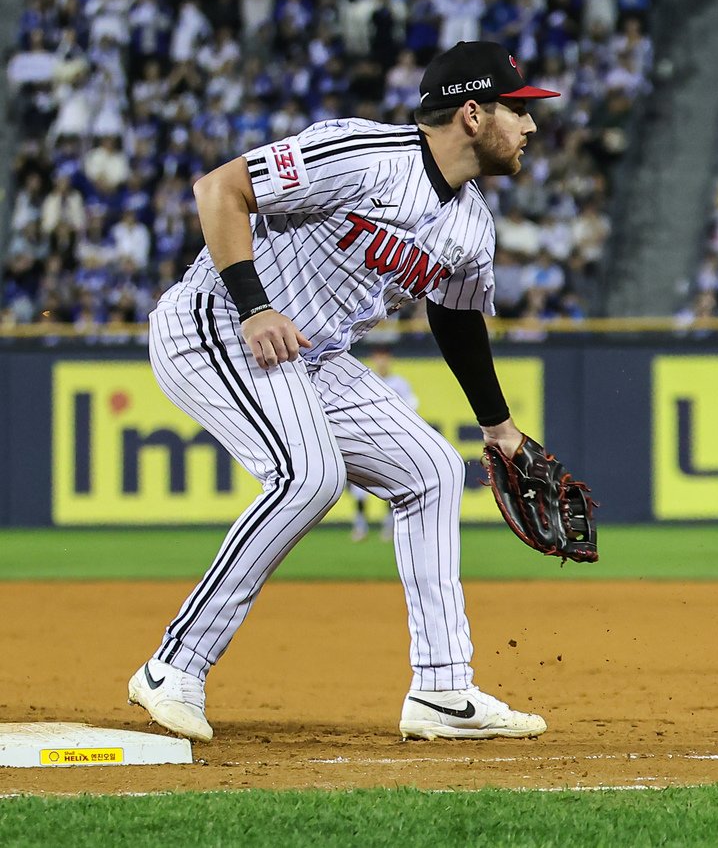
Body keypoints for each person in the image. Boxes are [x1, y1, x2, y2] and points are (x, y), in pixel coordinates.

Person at [129, 41, 563, 742]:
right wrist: (254, 305)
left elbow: (454, 320)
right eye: (520, 110)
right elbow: (219, 189)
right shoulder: (364, 153)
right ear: (474, 114)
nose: (532, 127)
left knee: (429, 469)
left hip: (311, 356)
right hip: (216, 323)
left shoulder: (471, 224)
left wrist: (499, 428)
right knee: (310, 475)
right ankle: (173, 667)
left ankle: (442, 690)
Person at [347, 347, 419, 542]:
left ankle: (390, 525)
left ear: (389, 359)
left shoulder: (399, 384)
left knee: (393, 484)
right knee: (360, 488)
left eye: (384, 358)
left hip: (391, 441)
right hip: (366, 441)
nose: (381, 362)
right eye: (378, 358)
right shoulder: (363, 382)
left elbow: (411, 408)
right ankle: (360, 524)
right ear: (373, 359)